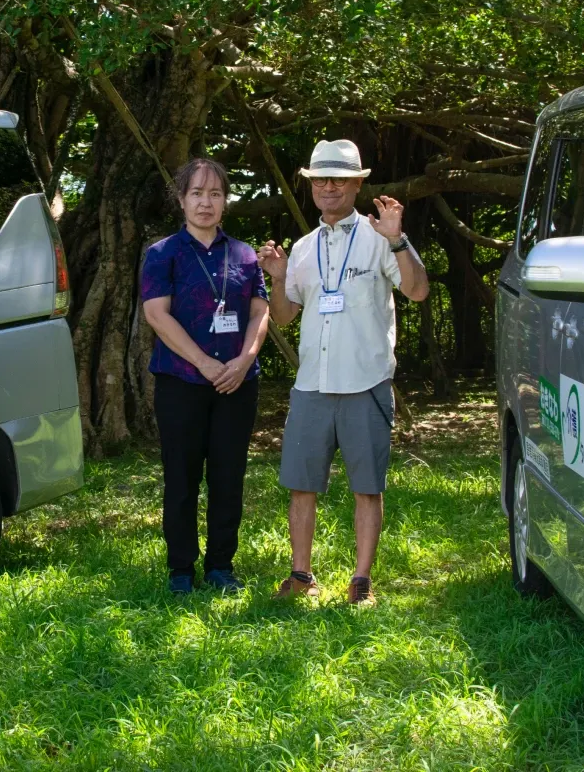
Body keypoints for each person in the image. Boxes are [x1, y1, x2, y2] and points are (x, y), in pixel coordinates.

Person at [258, 139, 429, 605]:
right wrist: (276, 277)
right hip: (312, 382)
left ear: (357, 184)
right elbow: (285, 315)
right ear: (311, 186)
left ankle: (361, 581)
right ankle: (301, 574)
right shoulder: (303, 247)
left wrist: (398, 239)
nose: (328, 187)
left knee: (367, 486)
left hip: (366, 381)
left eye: (338, 179)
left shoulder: (380, 239)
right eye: (319, 180)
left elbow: (416, 292)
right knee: (301, 484)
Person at [140, 157, 271, 595]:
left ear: (225, 202)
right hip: (182, 383)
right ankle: (181, 569)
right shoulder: (162, 254)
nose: (206, 202)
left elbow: (259, 311)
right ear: (181, 200)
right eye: (197, 193)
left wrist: (243, 359)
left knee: (228, 477)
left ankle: (220, 566)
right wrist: (205, 363)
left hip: (237, 383)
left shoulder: (245, 255)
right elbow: (157, 315)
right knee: (181, 478)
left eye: (215, 194)